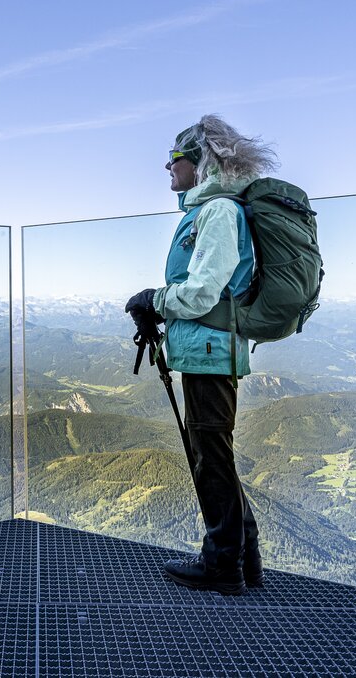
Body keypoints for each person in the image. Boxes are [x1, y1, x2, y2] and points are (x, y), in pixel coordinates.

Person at [125, 114, 277, 595]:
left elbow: (204, 292)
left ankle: (221, 565)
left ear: (199, 162)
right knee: (214, 455)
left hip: (211, 352)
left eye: (174, 159)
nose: (167, 168)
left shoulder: (218, 213)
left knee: (210, 458)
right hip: (205, 350)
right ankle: (242, 559)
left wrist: (156, 300)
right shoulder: (208, 211)